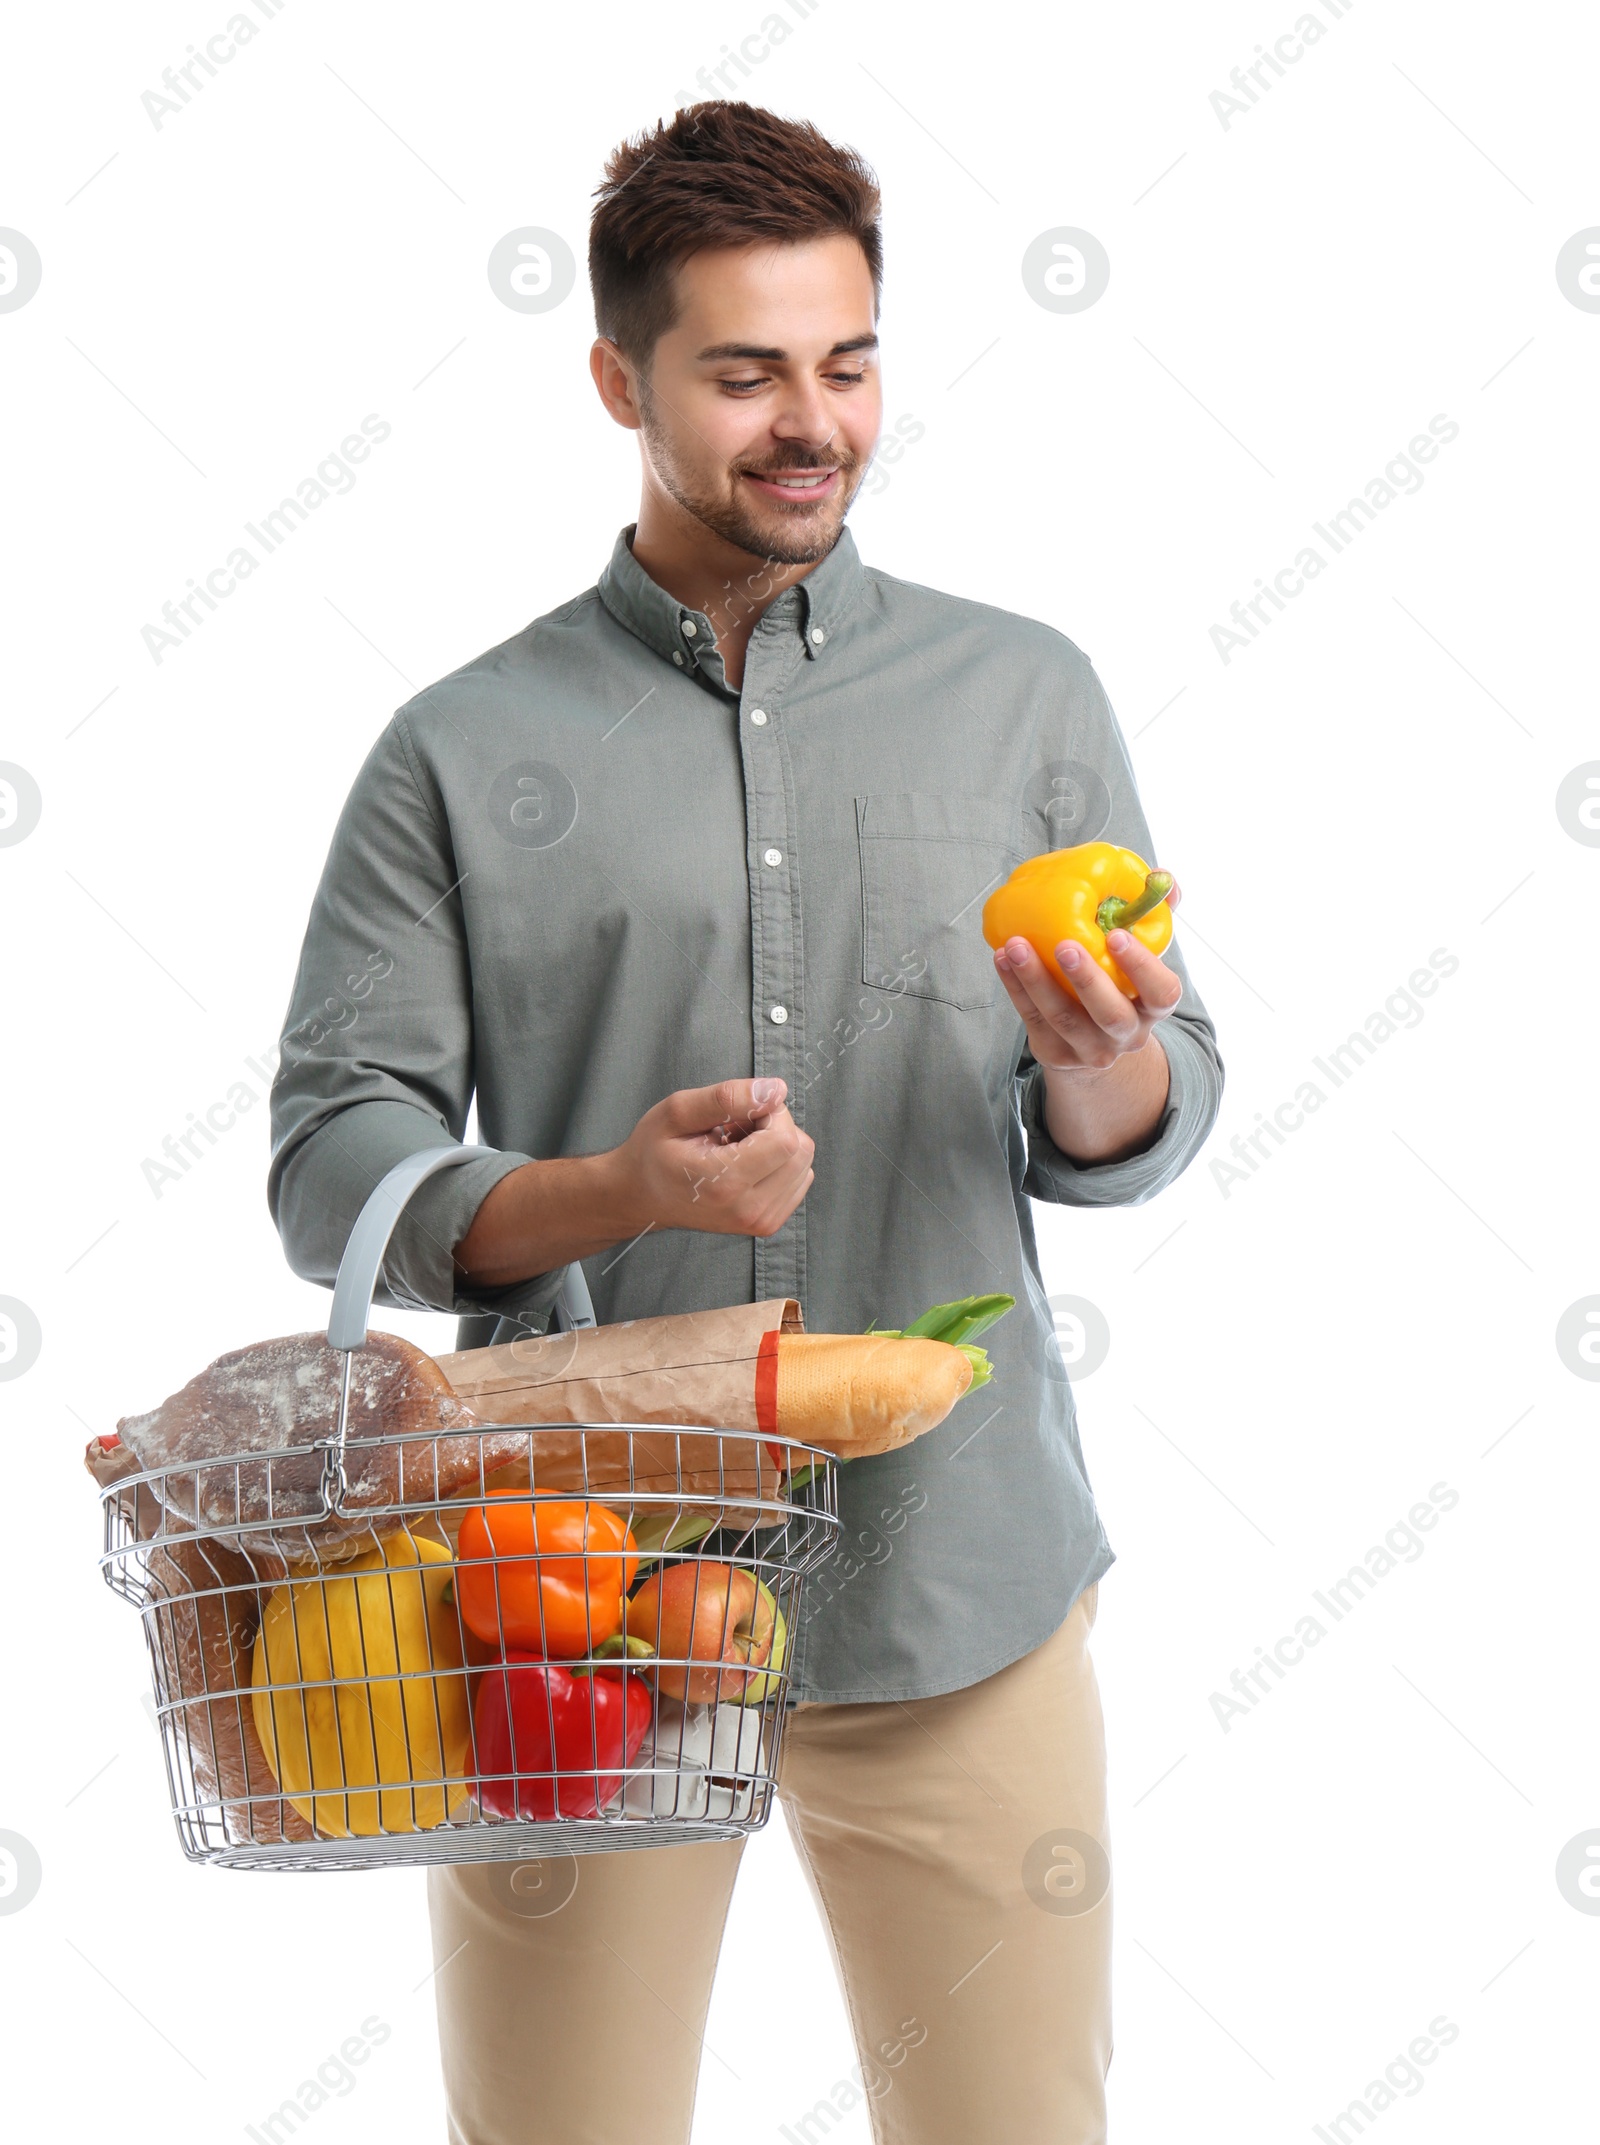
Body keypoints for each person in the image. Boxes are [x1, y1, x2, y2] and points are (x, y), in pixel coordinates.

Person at [269, 99, 1222, 2145]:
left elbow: (1155, 1099)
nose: (814, 421)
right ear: (616, 379)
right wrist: (612, 1185)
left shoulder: (1024, 694)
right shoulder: (455, 747)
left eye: (848, 360)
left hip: (955, 1578)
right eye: (744, 370)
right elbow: (328, 1149)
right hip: (562, 1588)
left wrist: (1093, 1062)